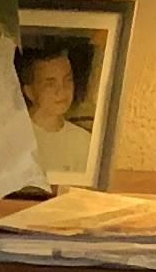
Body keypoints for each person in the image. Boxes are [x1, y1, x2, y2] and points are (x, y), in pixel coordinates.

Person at [16, 32, 97, 178]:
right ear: (29, 91)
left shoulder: (83, 141)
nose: (62, 90)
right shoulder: (14, 136)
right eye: (50, 84)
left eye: (68, 80)